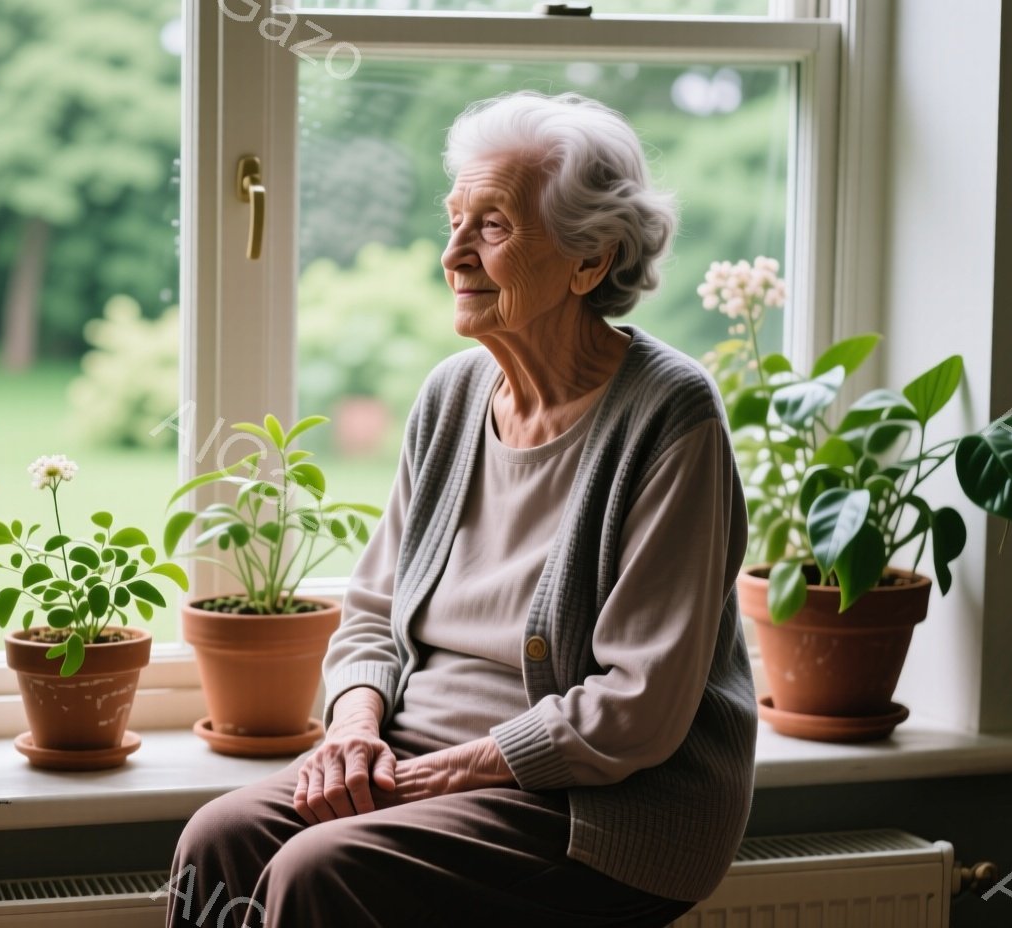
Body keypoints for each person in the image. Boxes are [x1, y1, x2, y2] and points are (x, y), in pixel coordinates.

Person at [164, 90, 757, 928]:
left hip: (600, 801)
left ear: (591, 261)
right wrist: (355, 732)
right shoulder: (453, 394)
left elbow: (637, 708)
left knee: (320, 870)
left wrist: (421, 779)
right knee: (219, 838)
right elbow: (372, 613)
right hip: (411, 758)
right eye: (454, 221)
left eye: (493, 227)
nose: (453, 254)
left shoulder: (668, 414)